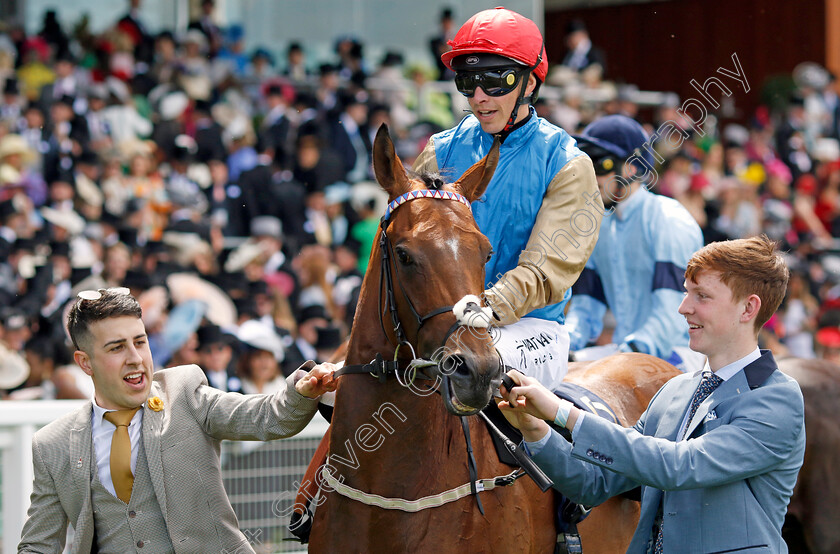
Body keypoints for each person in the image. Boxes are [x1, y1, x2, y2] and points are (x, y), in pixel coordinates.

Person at [499, 235, 805, 554]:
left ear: (748, 308)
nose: (683, 308)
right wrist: (534, 428)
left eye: (702, 296)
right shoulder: (675, 390)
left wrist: (562, 412)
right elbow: (592, 484)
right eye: (687, 294)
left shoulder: (777, 398)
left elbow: (679, 466)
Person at [18, 287, 336, 553]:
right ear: (84, 363)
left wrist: (301, 391)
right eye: (116, 347)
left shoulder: (183, 391)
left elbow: (266, 418)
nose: (135, 357)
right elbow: (37, 547)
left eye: (140, 341)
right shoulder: (52, 445)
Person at [412, 7, 602, 389]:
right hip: (444, 321)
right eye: (467, 82)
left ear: (529, 84)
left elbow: (545, 270)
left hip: (532, 328)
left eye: (496, 81)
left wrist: (487, 306)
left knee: (462, 367)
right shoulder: (440, 151)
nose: (479, 97)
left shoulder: (567, 164)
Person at [563, 115, 705, 371]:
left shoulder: (669, 220)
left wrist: (626, 353)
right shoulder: (598, 226)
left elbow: (673, 312)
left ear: (632, 167)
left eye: (601, 164)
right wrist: (563, 344)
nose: (591, 177)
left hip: (678, 354)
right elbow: (586, 307)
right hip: (625, 351)